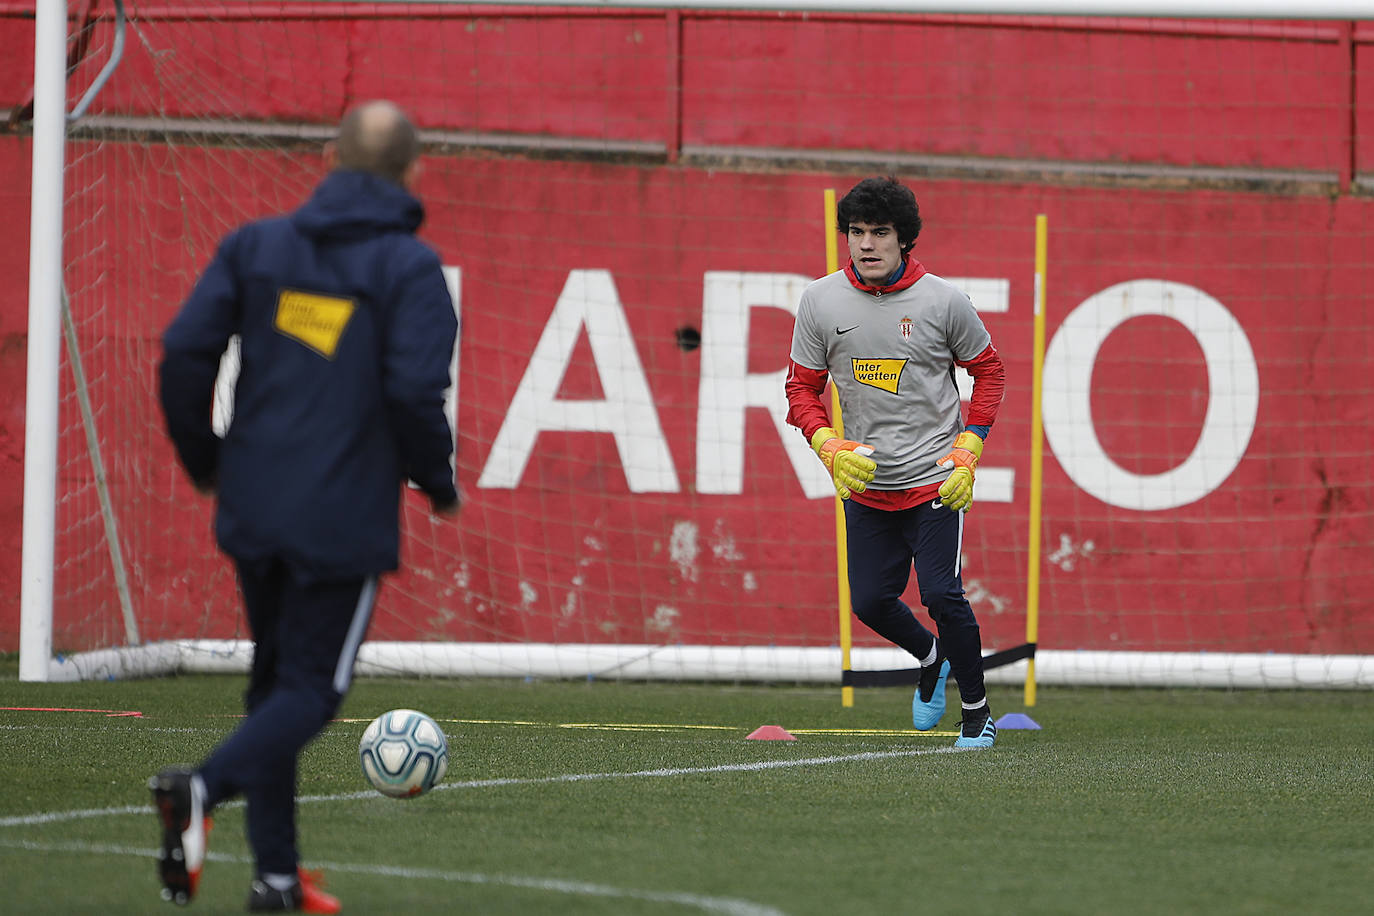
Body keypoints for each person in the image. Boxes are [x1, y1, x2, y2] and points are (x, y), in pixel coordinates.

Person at [151, 100, 460, 912]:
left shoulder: (257, 245)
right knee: (312, 692)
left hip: (253, 504)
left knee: (274, 688)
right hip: (341, 514)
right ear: (411, 171)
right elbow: (413, 391)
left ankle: (277, 878)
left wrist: (208, 460)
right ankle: (201, 790)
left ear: (330, 155)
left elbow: (184, 352)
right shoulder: (409, 267)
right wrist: (438, 480)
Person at [785, 176, 1006, 749]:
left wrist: (970, 447)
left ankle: (978, 715)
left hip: (936, 479)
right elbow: (801, 390)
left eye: (879, 232)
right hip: (865, 481)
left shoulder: (944, 301)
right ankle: (932, 660)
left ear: (903, 238)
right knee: (869, 602)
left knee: (940, 594)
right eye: (856, 232)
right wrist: (827, 445)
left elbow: (990, 372)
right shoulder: (819, 300)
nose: (866, 244)